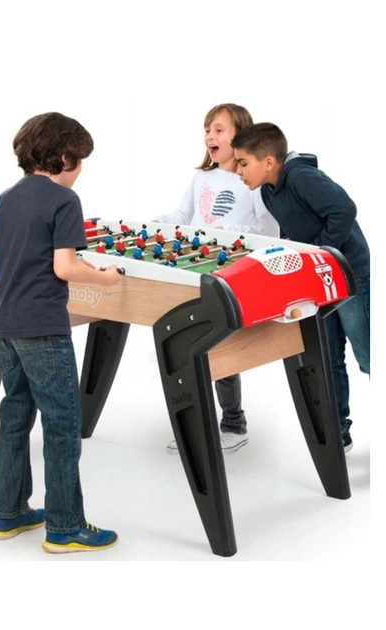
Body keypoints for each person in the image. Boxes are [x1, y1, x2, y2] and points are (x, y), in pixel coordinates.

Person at [0, 112, 121, 553]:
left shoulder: (6, 198)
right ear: (63, 158)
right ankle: (65, 526)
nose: (80, 170)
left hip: (5, 326)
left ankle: (8, 514)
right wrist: (104, 277)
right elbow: (65, 267)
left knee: (15, 418)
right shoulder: (64, 201)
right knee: (62, 425)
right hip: (43, 328)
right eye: (80, 160)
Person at [231, 122, 370, 452]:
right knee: (329, 357)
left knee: (368, 355)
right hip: (320, 281)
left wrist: (320, 251)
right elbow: (293, 232)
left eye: (243, 162)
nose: (238, 171)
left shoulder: (301, 177)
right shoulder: (268, 190)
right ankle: (339, 431)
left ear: (268, 162)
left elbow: (344, 209)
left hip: (349, 276)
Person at [153, 103, 279, 455]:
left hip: (229, 275)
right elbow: (183, 215)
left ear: (241, 137)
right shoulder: (202, 178)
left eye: (219, 130)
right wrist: (160, 222)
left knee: (219, 348)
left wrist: (231, 235)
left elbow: (268, 228)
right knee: (186, 346)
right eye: (207, 130)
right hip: (193, 270)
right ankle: (195, 424)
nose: (210, 135)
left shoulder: (251, 181)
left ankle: (233, 424)